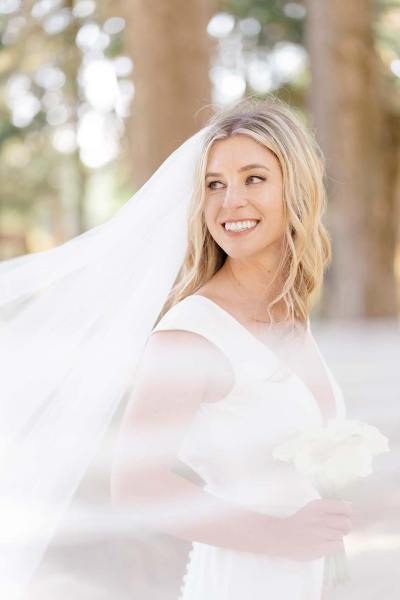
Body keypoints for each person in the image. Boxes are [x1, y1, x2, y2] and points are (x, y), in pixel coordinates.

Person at [110, 97, 353, 599]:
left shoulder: (290, 315)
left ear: (296, 186)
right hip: (243, 582)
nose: (230, 202)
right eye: (214, 185)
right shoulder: (192, 332)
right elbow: (135, 485)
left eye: (254, 178)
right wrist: (282, 537)